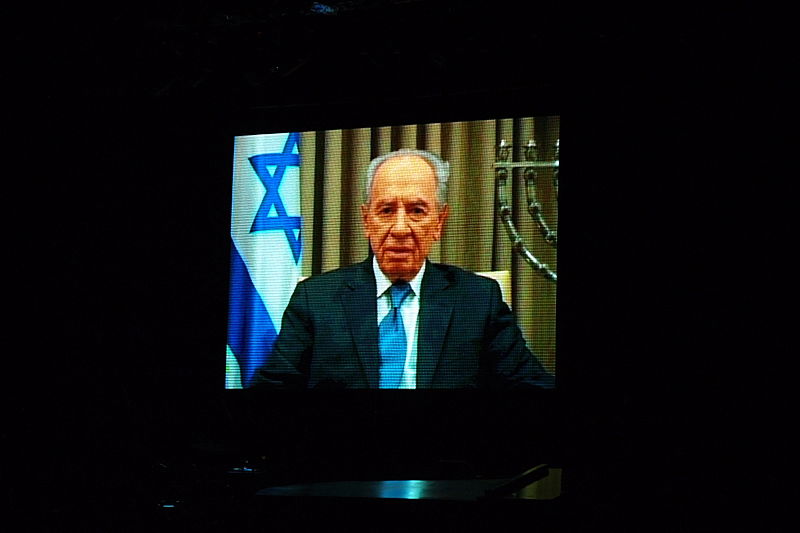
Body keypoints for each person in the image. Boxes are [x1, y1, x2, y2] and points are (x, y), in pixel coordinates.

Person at [252, 149, 554, 389]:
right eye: (386, 211)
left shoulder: (478, 299)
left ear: (439, 222)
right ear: (367, 221)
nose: (399, 228)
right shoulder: (315, 299)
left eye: (417, 211)